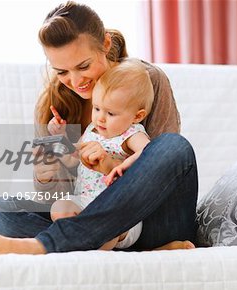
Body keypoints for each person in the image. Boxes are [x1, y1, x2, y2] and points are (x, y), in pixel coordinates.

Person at [0, 1, 198, 254]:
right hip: (87, 214)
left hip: (152, 225)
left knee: (174, 147)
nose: (76, 81)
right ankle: (97, 243)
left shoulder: (147, 79)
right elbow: (59, 198)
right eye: (62, 72)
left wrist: (109, 164)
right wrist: (46, 173)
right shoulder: (54, 106)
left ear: (105, 44)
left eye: (83, 66)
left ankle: (47, 244)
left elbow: (163, 167)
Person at [49, 59, 194, 251]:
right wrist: (60, 138)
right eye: (97, 108)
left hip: (120, 215)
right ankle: (81, 242)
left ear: (136, 116)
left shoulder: (131, 134)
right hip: (85, 203)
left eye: (110, 113)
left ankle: (90, 255)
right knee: (59, 208)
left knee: (104, 231)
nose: (100, 117)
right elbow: (71, 158)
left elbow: (150, 155)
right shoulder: (93, 130)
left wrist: (120, 164)